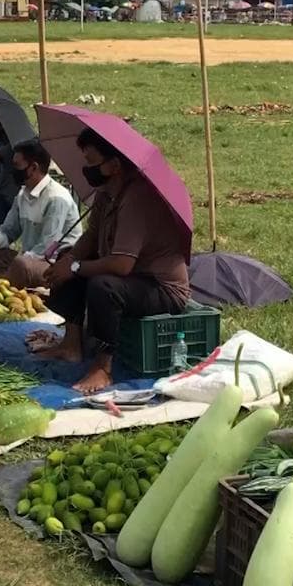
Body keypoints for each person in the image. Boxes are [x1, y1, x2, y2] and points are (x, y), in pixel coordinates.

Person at [40, 127, 191, 393]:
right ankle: (71, 345)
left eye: (92, 163)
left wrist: (76, 268)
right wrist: (70, 259)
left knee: (101, 284)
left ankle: (103, 367)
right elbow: (92, 235)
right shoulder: (107, 193)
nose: (87, 169)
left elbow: (122, 264)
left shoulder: (138, 198)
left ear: (114, 165)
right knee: (71, 260)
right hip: (131, 278)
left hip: (160, 287)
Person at [0, 139, 82, 289]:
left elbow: (46, 248)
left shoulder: (56, 199)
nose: (12, 170)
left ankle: (3, 283)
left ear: (33, 167)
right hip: (27, 257)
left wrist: (19, 263)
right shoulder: (23, 194)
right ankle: (7, 279)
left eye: (16, 165)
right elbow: (8, 230)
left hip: (52, 264)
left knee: (20, 266)